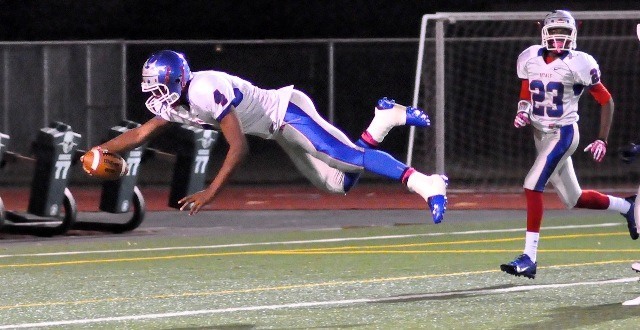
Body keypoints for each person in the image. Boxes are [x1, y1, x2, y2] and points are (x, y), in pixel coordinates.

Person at [86, 50, 448, 221]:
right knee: (337, 184)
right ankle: (383, 121)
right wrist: (97, 150)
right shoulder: (176, 103)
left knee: (348, 158)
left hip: (288, 112)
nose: (155, 95)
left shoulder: (204, 88)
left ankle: (425, 183)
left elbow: (238, 147)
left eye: (159, 86)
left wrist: (212, 192)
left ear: (177, 78)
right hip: (276, 130)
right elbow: (141, 133)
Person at [500, 9, 637, 280]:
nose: (559, 38)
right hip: (540, 134)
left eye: (565, 32)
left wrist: (602, 138)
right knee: (573, 199)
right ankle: (628, 207)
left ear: (575, 33)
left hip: (562, 134)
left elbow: (606, 100)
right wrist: (523, 110)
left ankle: (529, 258)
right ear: (543, 31)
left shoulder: (580, 63)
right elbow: (527, 89)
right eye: (554, 32)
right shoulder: (529, 57)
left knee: (531, 185)